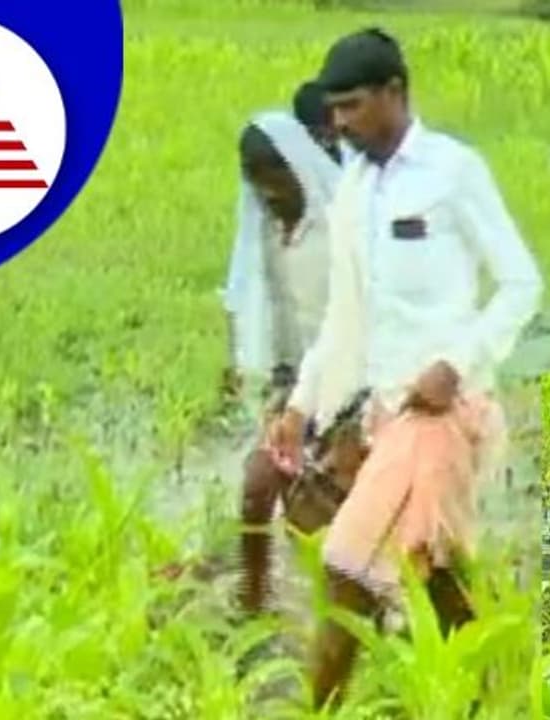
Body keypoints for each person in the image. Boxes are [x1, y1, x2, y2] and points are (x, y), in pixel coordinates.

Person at [264, 27, 543, 710]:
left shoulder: (453, 171)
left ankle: (320, 709)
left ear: (395, 92)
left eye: (353, 105)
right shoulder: (354, 191)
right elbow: (345, 315)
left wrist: (457, 362)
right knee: (435, 580)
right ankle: (501, 691)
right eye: (334, 108)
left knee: (348, 566)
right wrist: (302, 404)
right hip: (389, 416)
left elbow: (521, 283)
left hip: (445, 415)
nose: (340, 122)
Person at [220, 84, 344, 617]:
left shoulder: (338, 227)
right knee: (256, 487)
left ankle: (354, 610)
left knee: (314, 515)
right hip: (295, 383)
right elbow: (262, 306)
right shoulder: (270, 234)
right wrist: (273, 386)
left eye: (275, 176)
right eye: (257, 180)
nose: (268, 191)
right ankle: (253, 594)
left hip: (349, 385)